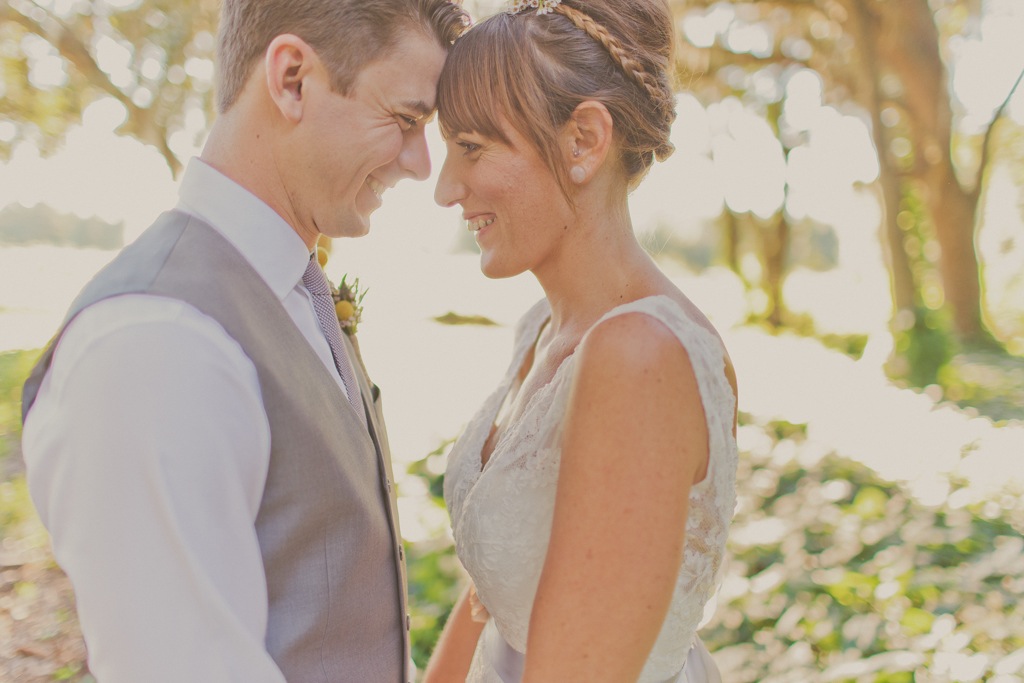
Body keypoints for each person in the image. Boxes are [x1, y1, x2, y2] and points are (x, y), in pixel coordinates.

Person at [20, 0, 467, 680]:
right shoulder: (156, 341)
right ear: (291, 78)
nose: (419, 162)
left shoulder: (290, 291)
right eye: (405, 120)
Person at [423, 0, 739, 681]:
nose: (447, 187)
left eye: (472, 147)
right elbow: (492, 595)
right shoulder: (541, 329)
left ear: (584, 141)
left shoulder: (640, 358)